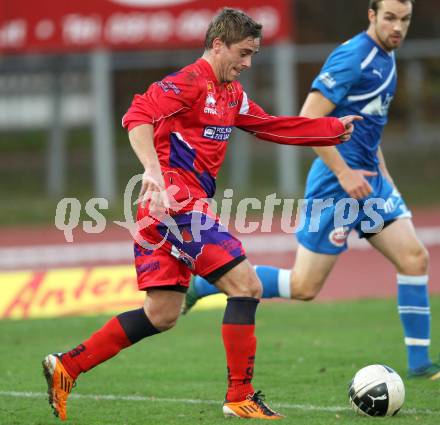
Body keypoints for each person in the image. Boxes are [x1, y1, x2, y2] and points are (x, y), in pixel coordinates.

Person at [42, 8, 359, 422]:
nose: (247, 63)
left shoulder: (231, 95)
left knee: (162, 313)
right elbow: (136, 115)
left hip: (167, 212)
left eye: (253, 55)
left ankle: (67, 365)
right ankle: (240, 395)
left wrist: (331, 129)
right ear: (217, 45)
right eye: (243, 54)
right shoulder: (189, 82)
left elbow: (271, 126)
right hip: (174, 207)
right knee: (245, 285)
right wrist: (152, 172)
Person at [183, 0, 440, 380]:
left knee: (414, 259)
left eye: (404, 20)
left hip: (370, 181)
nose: (397, 27)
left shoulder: (387, 56)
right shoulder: (353, 57)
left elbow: (366, 126)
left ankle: (420, 366)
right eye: (389, 18)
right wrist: (345, 172)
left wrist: (382, 175)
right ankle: (206, 283)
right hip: (337, 186)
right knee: (304, 286)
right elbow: (308, 120)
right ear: (371, 16)